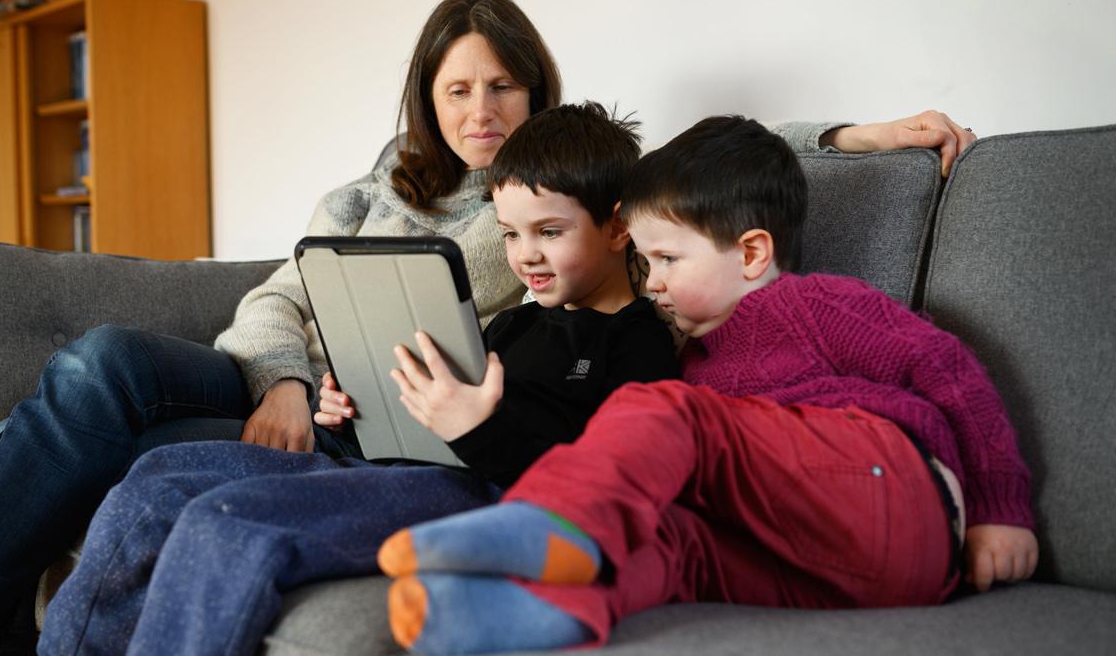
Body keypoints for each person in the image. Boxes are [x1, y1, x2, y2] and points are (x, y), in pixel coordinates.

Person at [0, 0, 978, 653]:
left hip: (417, 444)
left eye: (503, 88)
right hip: (308, 391)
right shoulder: (377, 197)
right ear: (426, 97)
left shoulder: (566, 199)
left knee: (149, 469)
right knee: (105, 381)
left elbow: (697, 178)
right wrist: (294, 380)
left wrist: (847, 132)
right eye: (458, 89)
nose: (479, 111)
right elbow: (278, 298)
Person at [377, 115, 1039, 655]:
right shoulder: (688, 360)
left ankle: (551, 522)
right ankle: (529, 609)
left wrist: (999, 508)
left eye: (666, 258)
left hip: (893, 492)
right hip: (839, 570)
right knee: (673, 546)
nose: (652, 279)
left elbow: (947, 368)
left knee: (660, 411)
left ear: (752, 253)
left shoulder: (815, 305)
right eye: (644, 258)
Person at [36, 102, 680, 655]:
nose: (525, 256)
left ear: (618, 225)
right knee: (151, 486)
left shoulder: (640, 345)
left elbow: (593, 482)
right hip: (389, 464)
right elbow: (433, 400)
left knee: (228, 527)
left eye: (549, 232)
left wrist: (479, 426)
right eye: (510, 234)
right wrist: (360, 405)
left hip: (478, 495)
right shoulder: (513, 326)